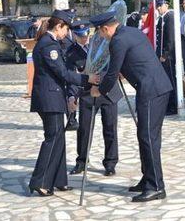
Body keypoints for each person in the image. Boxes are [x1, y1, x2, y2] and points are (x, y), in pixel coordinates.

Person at [89, 11, 173, 203]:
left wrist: (99, 91)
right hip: (154, 87)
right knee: (146, 136)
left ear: (105, 28)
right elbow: (138, 57)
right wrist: (126, 70)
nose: (100, 37)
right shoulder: (131, 32)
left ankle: (156, 186)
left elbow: (111, 74)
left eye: (100, 33)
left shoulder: (117, 41)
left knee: (148, 138)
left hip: (152, 90)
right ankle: (148, 179)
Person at [28, 10, 99, 197]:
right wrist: (87, 79)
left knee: (58, 138)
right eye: (66, 28)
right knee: (52, 138)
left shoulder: (51, 43)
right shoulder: (48, 45)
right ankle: (40, 181)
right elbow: (63, 73)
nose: (67, 33)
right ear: (58, 26)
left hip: (53, 97)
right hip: (49, 98)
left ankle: (58, 180)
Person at [67, 20, 122, 177]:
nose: (84, 39)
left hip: (108, 91)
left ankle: (110, 163)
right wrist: (72, 96)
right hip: (87, 94)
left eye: (86, 35)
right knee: (84, 130)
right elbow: (71, 75)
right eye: (80, 36)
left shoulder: (103, 44)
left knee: (110, 128)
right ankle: (82, 161)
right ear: (75, 35)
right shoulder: (71, 52)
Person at [155, 0, 177, 116]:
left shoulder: (170, 17)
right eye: (157, 6)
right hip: (162, 54)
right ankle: (168, 104)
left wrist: (165, 54)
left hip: (168, 56)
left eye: (160, 5)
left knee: (170, 80)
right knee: (166, 80)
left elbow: (170, 38)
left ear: (166, 5)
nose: (158, 8)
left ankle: (173, 106)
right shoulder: (162, 18)